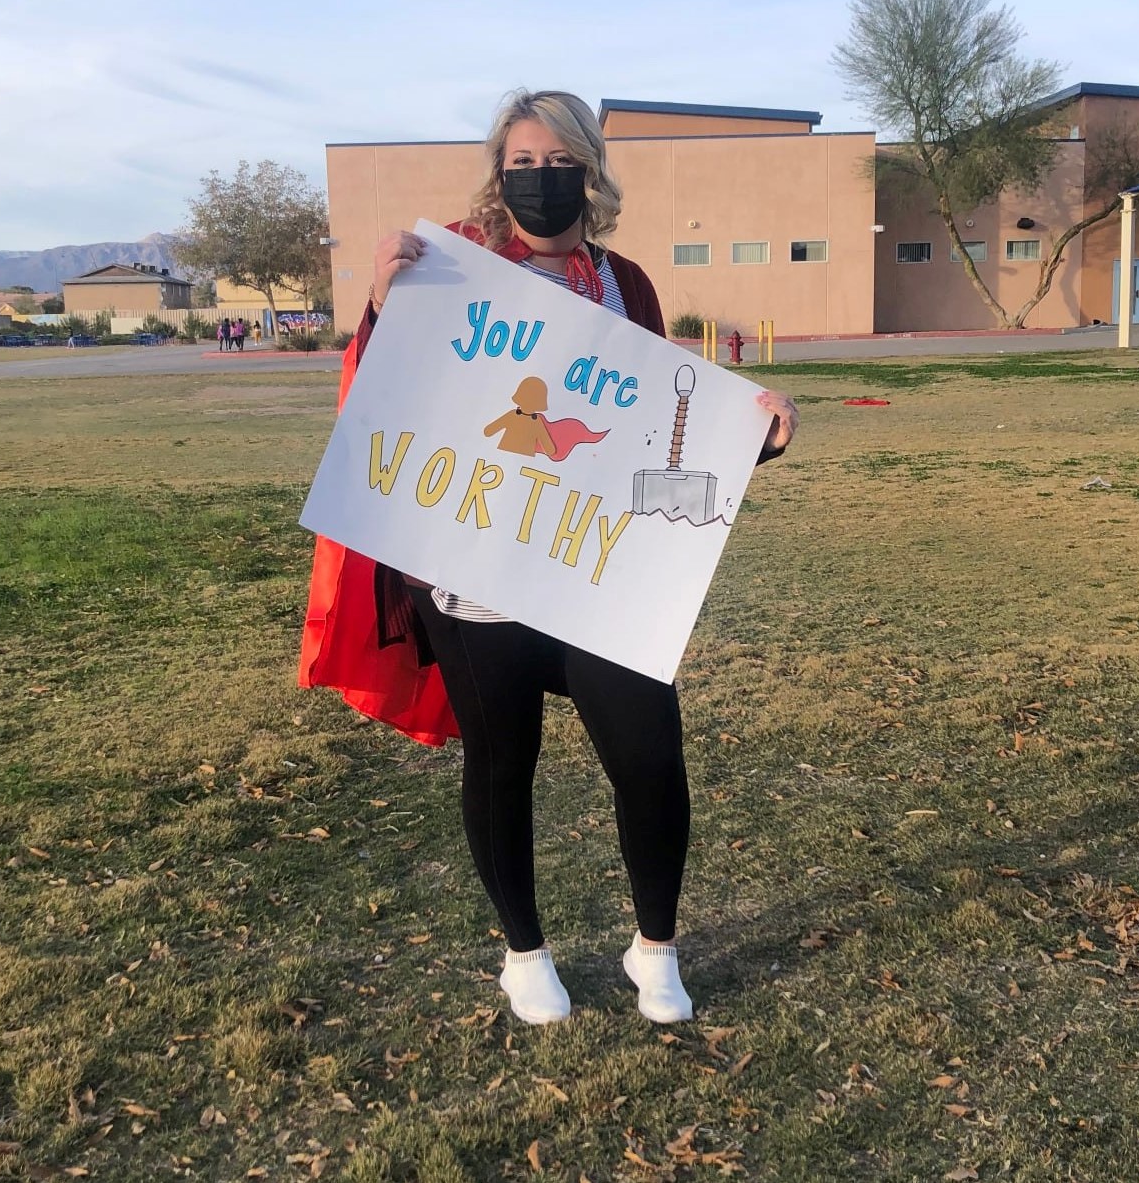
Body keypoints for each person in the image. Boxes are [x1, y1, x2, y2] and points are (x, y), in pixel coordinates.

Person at [299, 90, 798, 1027]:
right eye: (519, 162)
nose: (538, 177)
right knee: (501, 758)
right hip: (472, 572)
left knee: (649, 751)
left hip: (598, 576)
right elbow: (383, 395)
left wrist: (750, 436)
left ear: (590, 167)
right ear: (499, 172)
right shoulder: (449, 266)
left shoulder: (629, 285)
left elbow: (663, 427)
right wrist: (378, 303)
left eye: (555, 158)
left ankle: (655, 944)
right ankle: (522, 951)